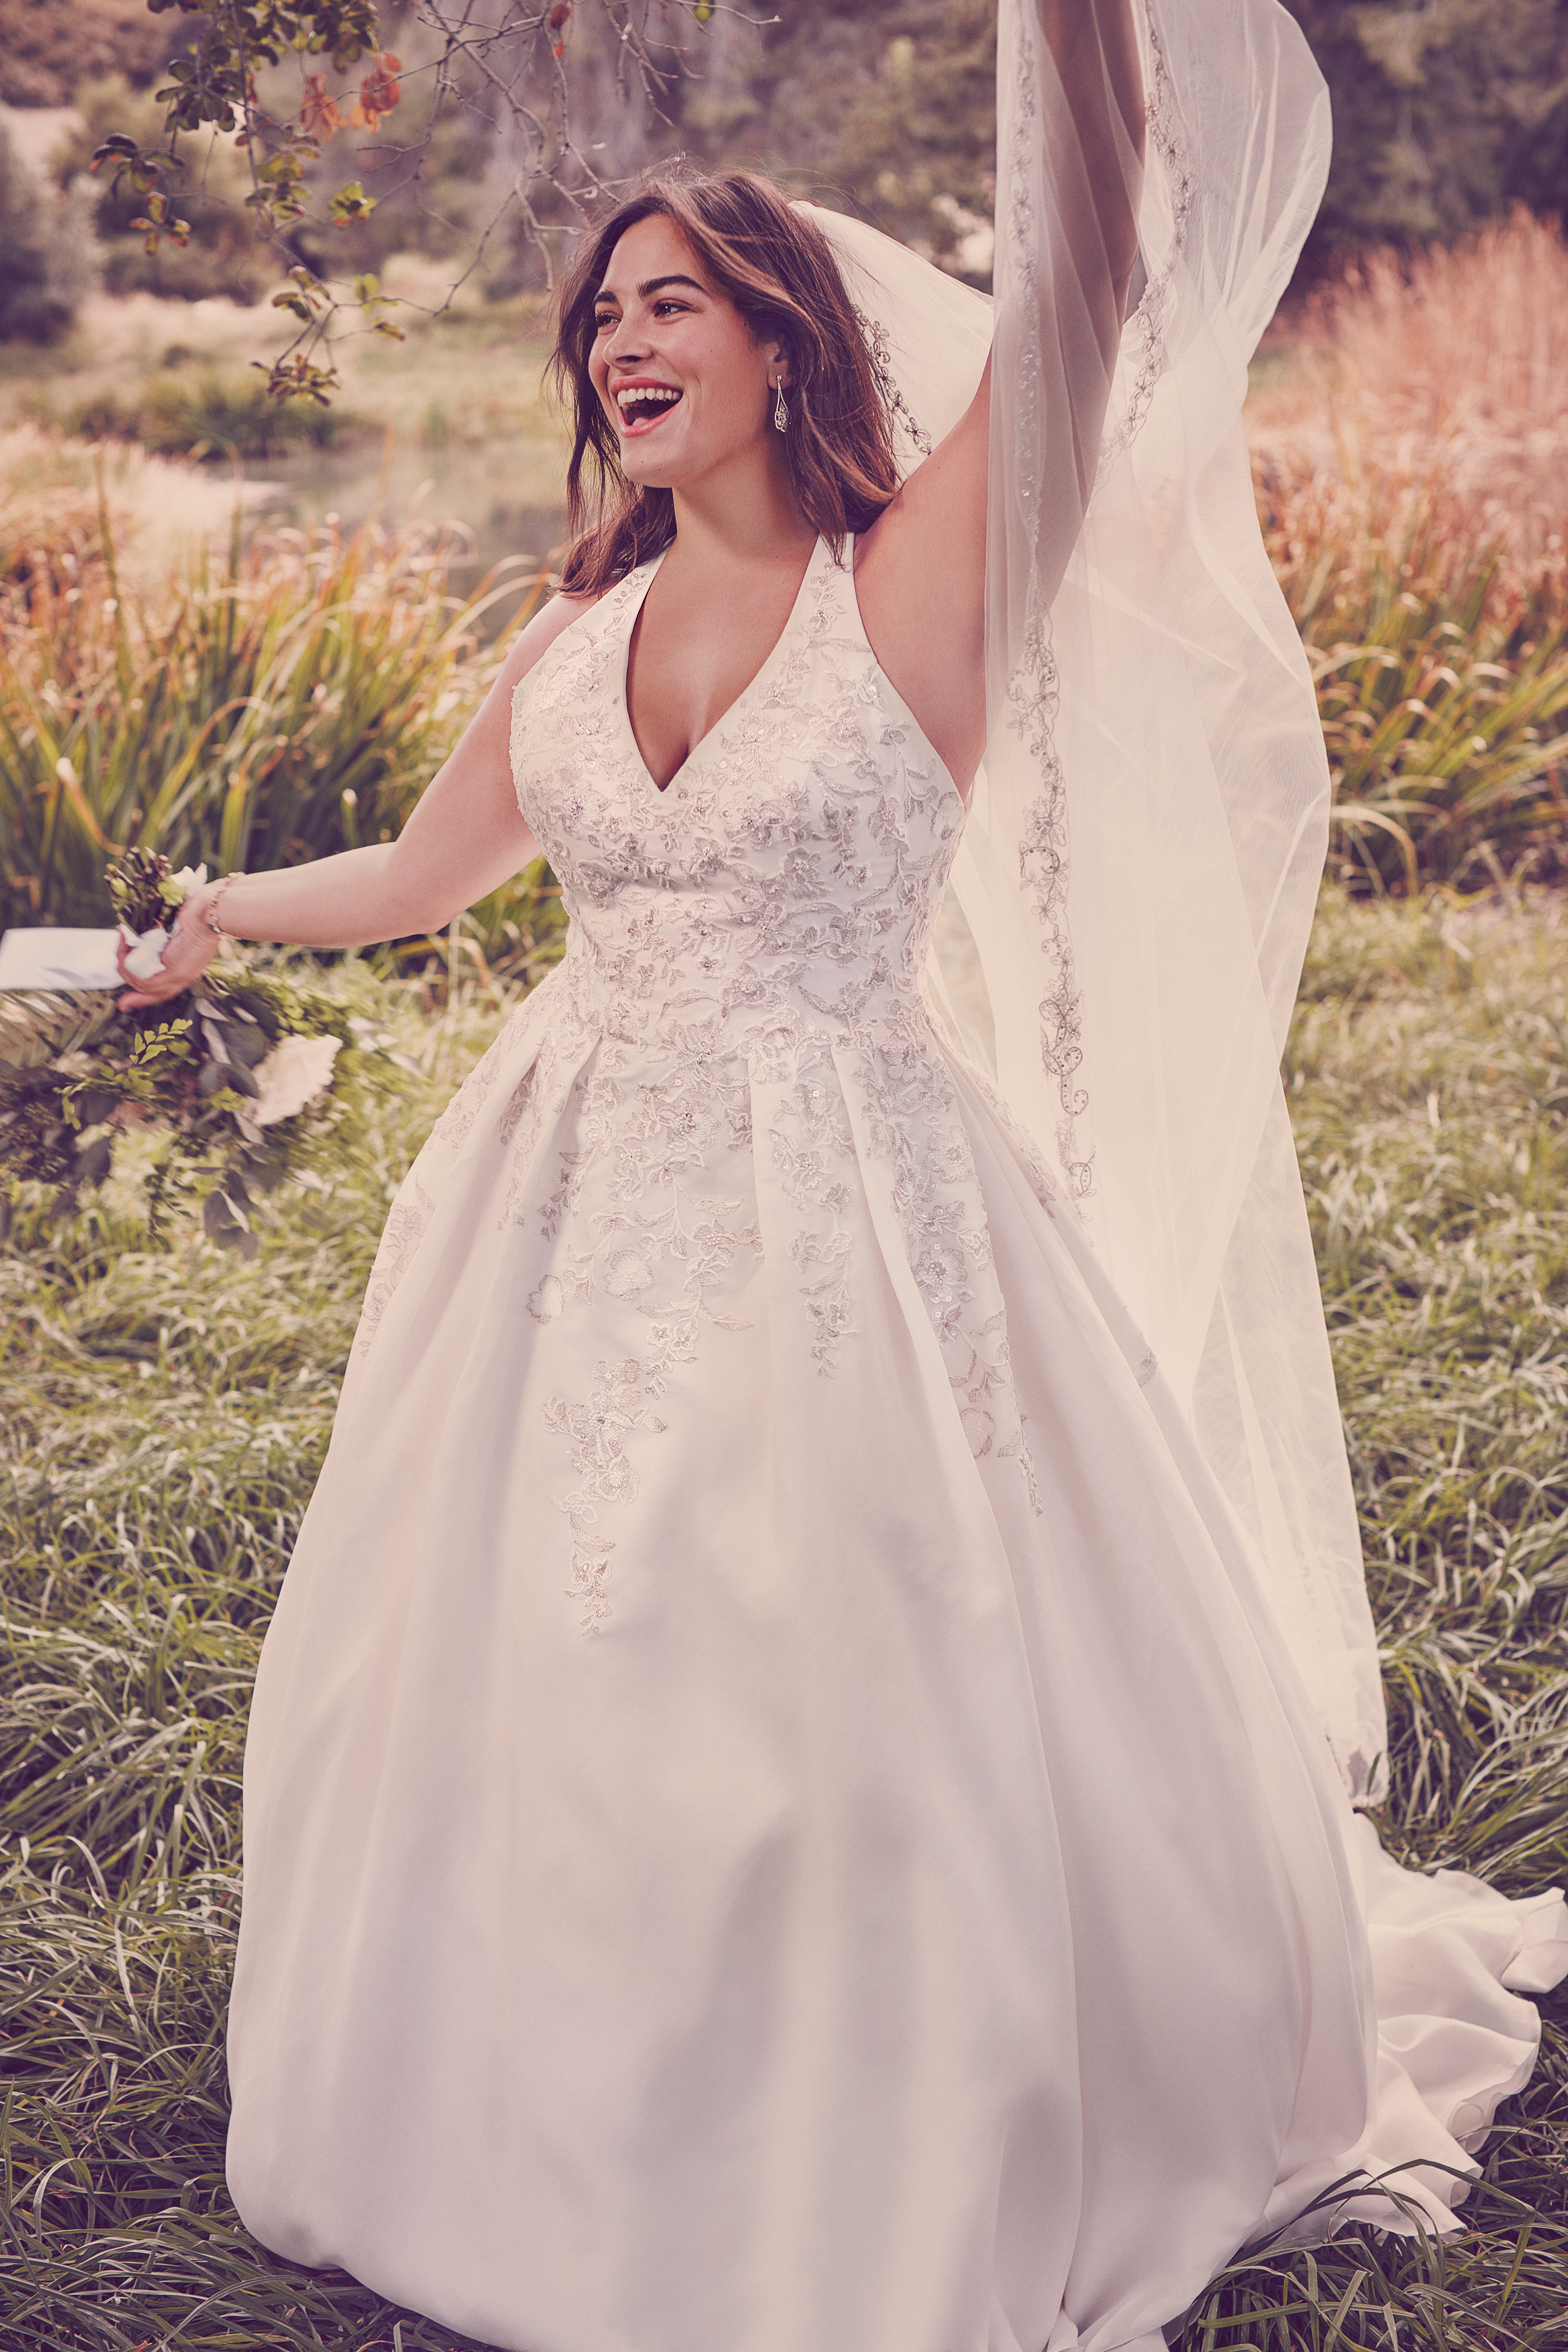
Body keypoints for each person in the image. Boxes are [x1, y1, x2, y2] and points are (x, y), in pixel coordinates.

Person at [120, 5, 1568, 2349]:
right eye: (599, 316)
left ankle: (878, 2112)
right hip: (562, 1202)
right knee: (541, 1644)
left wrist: (1069, 40)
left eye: (669, 299)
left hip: (855, 1221)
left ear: (783, 341)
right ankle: (534, 2106)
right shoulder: (568, 639)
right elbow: (421, 872)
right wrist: (210, 926)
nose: (618, 341)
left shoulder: (915, 589)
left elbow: (1092, 282)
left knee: (842, 1652)